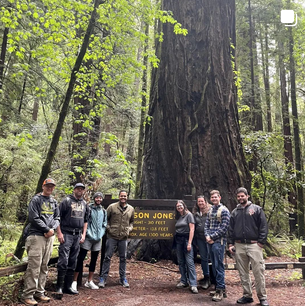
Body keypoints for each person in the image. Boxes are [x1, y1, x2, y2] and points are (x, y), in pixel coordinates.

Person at [20, 178, 60, 306]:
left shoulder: (54, 202)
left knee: (44, 265)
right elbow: (33, 217)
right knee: (34, 266)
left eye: (51, 186)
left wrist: (52, 229)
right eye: (47, 186)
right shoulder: (36, 200)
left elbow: (57, 217)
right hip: (36, 236)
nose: (49, 188)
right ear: (43, 186)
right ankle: (27, 295)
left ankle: (39, 292)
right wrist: (46, 229)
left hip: (49, 237)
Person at [228, 187, 269, 306]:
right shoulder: (235, 212)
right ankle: (247, 295)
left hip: (254, 245)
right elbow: (230, 229)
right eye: (239, 196)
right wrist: (230, 244)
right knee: (243, 272)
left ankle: (262, 297)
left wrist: (261, 242)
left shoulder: (256, 209)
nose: (241, 198)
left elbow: (263, 226)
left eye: (242, 196)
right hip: (239, 245)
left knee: (258, 271)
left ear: (247, 196)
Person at [54, 182, 89, 299]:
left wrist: (83, 235)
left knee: (73, 260)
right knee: (63, 259)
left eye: (82, 189)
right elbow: (57, 218)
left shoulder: (84, 204)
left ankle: (68, 286)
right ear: (74, 190)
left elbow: (85, 220)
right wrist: (59, 233)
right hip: (66, 233)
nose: (80, 190)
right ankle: (59, 286)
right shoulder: (66, 201)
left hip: (78, 235)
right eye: (78, 188)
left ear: (83, 191)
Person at [99, 190, 134, 288]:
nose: (123, 197)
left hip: (123, 237)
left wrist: (129, 229)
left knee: (123, 258)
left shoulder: (131, 209)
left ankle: (123, 278)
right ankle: (103, 278)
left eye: (125, 196)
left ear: (127, 197)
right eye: (121, 196)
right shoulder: (112, 207)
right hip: (112, 237)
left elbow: (132, 222)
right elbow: (105, 219)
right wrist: (109, 229)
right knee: (107, 257)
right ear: (119, 196)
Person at [72, 192, 107, 290]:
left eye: (100, 198)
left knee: (94, 260)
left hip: (97, 239)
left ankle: (89, 281)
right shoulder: (88, 209)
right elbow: (84, 222)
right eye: (97, 198)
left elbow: (104, 224)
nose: (99, 199)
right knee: (81, 258)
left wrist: (101, 234)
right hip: (87, 238)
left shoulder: (103, 211)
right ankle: (74, 281)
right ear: (94, 199)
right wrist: (87, 233)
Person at [205, 190, 230, 302]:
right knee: (213, 265)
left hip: (219, 242)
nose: (214, 199)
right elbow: (206, 224)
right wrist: (207, 236)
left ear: (220, 197)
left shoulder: (224, 211)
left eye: (216, 197)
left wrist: (212, 237)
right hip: (209, 241)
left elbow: (224, 228)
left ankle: (220, 290)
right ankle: (220, 288)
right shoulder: (210, 210)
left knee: (219, 265)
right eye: (212, 197)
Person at [174, 200, 198, 294]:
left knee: (189, 262)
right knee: (180, 261)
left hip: (186, 240)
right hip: (178, 240)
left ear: (184, 206)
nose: (179, 207)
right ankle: (184, 280)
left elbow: (192, 229)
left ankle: (193, 284)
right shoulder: (178, 216)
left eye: (180, 206)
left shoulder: (189, 215)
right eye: (177, 206)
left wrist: (189, 243)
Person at [193, 195, 212, 290]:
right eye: (199, 201)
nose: (200, 203)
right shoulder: (196, 213)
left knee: (210, 258)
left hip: (209, 238)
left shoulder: (210, 211)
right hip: (199, 238)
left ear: (205, 202)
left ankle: (213, 278)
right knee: (203, 258)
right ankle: (206, 277)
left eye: (202, 201)